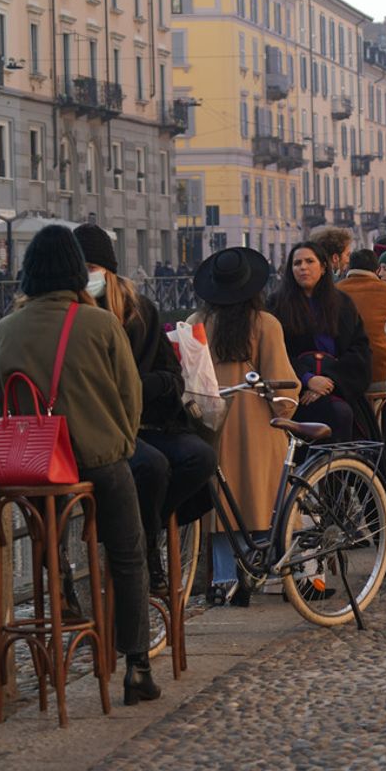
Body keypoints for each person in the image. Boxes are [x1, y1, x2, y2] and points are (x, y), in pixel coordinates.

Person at [0, 225, 160, 705]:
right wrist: (118, 443)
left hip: (36, 471)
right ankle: (136, 667)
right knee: (128, 556)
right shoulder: (101, 325)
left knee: (51, 533)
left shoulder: (4, 330)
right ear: (74, 271)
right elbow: (131, 398)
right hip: (99, 462)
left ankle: (58, 577)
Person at [73, 224, 217, 590]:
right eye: (83, 268)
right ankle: (144, 547)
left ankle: (141, 525)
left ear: (108, 269)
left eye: (94, 268)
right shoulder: (73, 316)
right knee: (151, 467)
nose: (89, 276)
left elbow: (172, 377)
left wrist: (141, 386)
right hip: (106, 430)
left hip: (151, 420)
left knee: (200, 458)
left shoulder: (141, 311)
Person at [190, 248, 300, 604]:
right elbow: (281, 380)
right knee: (262, 498)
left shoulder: (197, 322)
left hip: (213, 422)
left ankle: (224, 578)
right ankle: (264, 571)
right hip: (257, 423)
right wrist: (287, 410)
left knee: (221, 507)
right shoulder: (265, 324)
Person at [269, 242, 376, 444]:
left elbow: (359, 350)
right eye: (297, 263)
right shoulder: (277, 305)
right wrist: (308, 379)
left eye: (310, 261)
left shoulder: (342, 303)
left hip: (339, 386)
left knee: (344, 415)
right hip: (294, 391)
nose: (303, 267)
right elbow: (274, 352)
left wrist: (327, 381)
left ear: (323, 267)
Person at [336, 248, 386, 389]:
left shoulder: (336, 291)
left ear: (349, 267)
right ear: (376, 270)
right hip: (382, 374)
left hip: (346, 375)